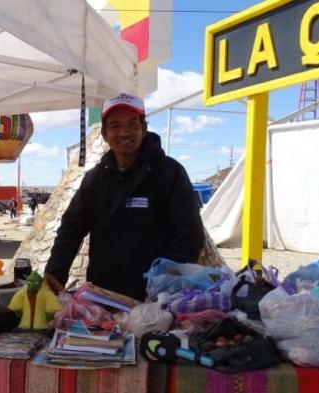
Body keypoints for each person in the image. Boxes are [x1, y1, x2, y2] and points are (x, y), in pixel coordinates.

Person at [44, 93, 205, 301]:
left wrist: (162, 283)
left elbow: (190, 236)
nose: (124, 132)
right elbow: (71, 229)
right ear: (104, 134)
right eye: (115, 126)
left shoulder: (170, 173)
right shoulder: (95, 178)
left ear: (144, 129)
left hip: (154, 299)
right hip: (103, 296)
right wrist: (54, 274)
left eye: (132, 124)